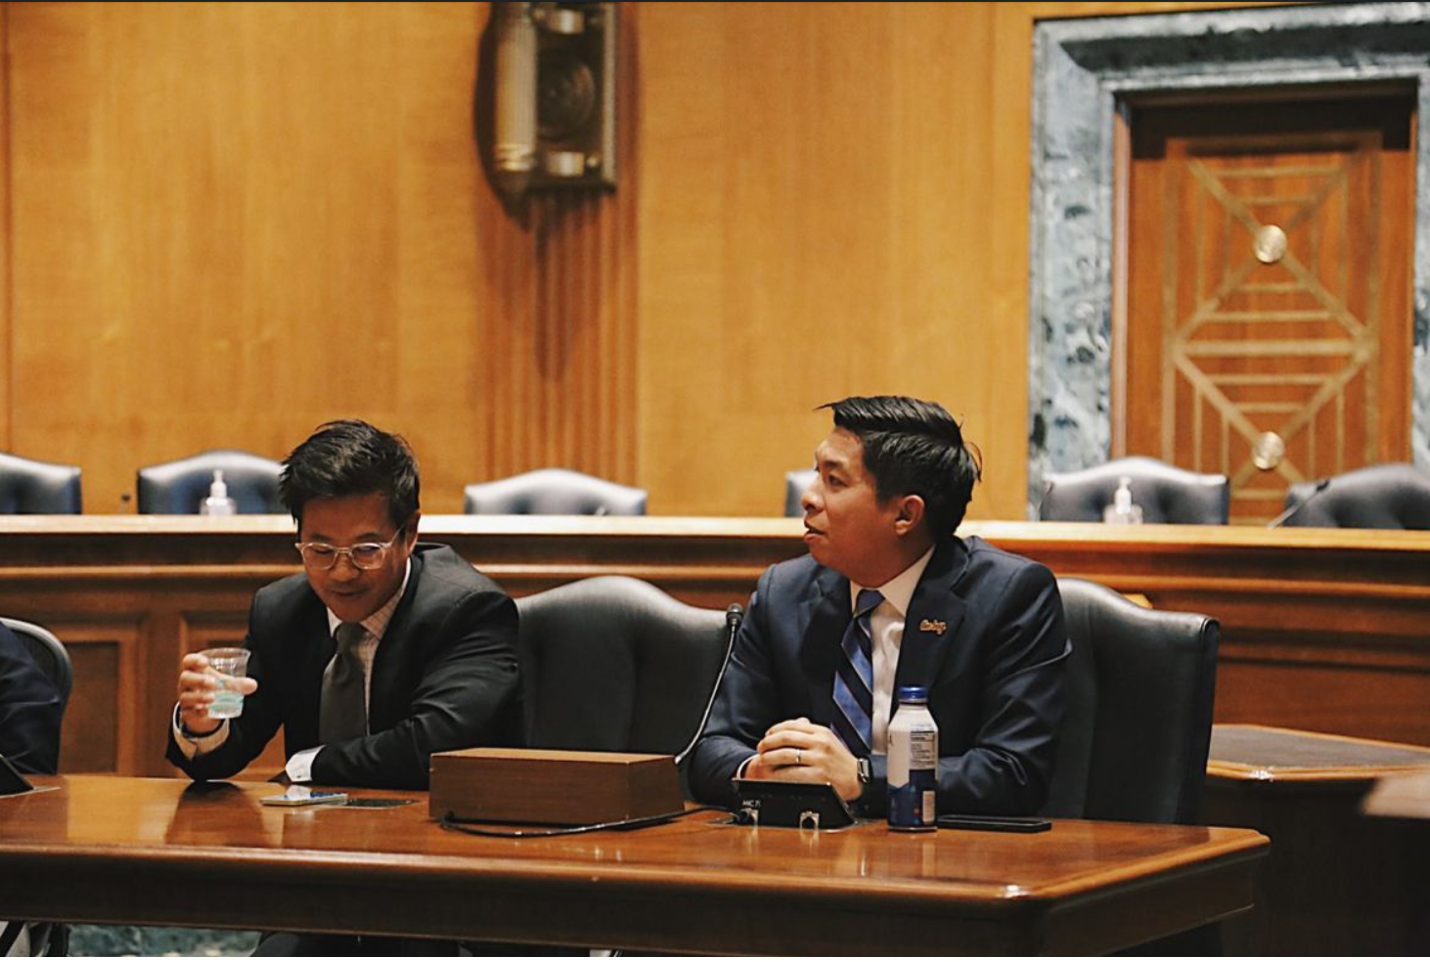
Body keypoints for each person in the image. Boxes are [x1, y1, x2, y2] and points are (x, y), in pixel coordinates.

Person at [688, 396, 1068, 816]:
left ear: (905, 515)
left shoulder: (1009, 597)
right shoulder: (784, 593)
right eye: (817, 474)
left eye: (834, 481)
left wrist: (862, 778)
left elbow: (1013, 772)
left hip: (948, 862)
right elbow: (710, 750)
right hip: (803, 859)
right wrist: (759, 770)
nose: (809, 498)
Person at [167, 419, 522, 791]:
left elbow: (432, 748)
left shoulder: (469, 611)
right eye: (320, 550)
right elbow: (229, 751)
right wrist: (204, 726)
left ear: (410, 533)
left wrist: (308, 765)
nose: (341, 573)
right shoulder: (282, 611)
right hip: (320, 839)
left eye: (366, 550)